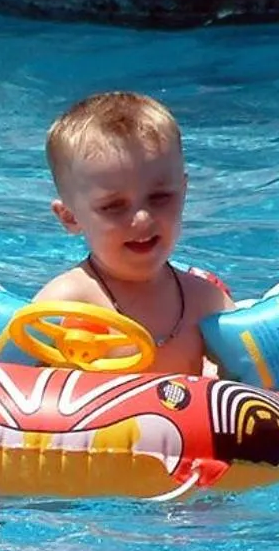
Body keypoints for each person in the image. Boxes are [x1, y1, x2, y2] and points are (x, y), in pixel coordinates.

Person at [28, 91, 233, 376]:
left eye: (160, 197)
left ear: (183, 193)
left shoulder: (205, 301)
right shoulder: (64, 304)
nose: (142, 218)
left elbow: (252, 379)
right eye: (113, 206)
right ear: (71, 217)